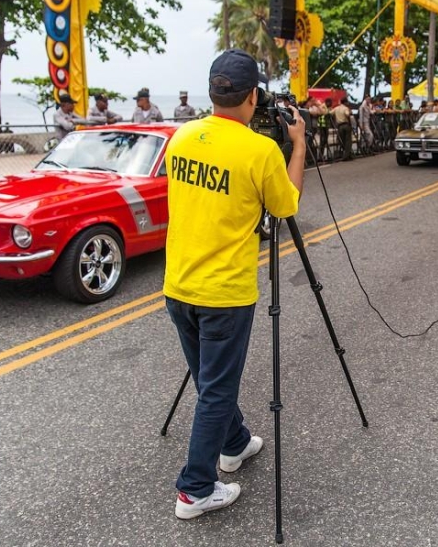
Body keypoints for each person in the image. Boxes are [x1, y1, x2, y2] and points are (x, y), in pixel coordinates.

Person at [164, 48, 306, 520]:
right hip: (224, 293)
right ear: (253, 96)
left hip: (178, 284)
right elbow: (285, 208)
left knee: (210, 380)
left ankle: (235, 442)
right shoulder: (261, 150)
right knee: (216, 390)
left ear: (211, 91)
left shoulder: (181, 137)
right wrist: (299, 145)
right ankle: (195, 489)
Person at [332, 97, 353, 161]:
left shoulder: (336, 108)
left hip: (339, 126)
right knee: (348, 141)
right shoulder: (345, 108)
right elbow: (347, 114)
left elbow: (330, 113)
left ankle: (346, 154)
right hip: (346, 125)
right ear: (346, 102)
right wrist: (350, 112)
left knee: (342, 140)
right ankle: (346, 155)